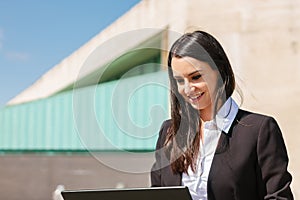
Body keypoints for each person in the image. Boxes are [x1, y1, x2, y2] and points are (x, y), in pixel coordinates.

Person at [150, 30, 294, 200]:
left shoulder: (259, 130)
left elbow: (279, 197)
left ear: (220, 71)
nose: (188, 89)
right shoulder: (169, 132)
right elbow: (156, 194)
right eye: (180, 81)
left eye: (196, 77)